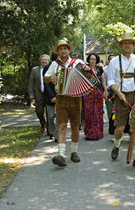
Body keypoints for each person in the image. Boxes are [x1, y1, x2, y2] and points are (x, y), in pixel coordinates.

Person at [44, 39, 90, 167]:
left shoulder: (78, 62)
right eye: (60, 49)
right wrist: (50, 78)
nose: (63, 50)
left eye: (65, 48)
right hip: (61, 98)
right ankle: (61, 155)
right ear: (58, 51)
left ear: (69, 50)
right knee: (62, 125)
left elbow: (89, 75)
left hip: (76, 97)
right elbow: (45, 78)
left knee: (75, 126)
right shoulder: (54, 64)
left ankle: (74, 152)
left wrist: (87, 69)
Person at [107, 33, 135, 170]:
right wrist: (119, 94)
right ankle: (117, 145)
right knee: (119, 128)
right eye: (125, 43)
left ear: (133, 45)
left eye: (130, 43)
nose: (127, 45)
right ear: (121, 45)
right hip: (121, 96)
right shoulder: (114, 62)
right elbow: (110, 82)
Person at [83, 54, 107, 140]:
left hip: (98, 92)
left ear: (97, 60)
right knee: (89, 112)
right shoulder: (84, 69)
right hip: (88, 93)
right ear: (88, 60)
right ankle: (89, 134)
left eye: (94, 59)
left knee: (98, 112)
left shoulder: (100, 69)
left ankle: (98, 133)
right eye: (91, 59)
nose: (93, 60)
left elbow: (103, 81)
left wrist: (105, 92)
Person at [28, 54, 50, 134]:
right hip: (38, 94)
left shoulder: (51, 69)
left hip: (48, 95)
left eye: (46, 60)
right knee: (39, 111)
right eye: (43, 59)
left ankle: (49, 129)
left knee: (49, 113)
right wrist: (31, 93)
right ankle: (43, 123)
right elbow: (31, 82)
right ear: (40, 61)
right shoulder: (35, 70)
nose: (44, 61)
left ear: (48, 61)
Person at [43, 53, 59, 141]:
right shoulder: (47, 68)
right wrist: (52, 96)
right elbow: (46, 84)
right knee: (51, 116)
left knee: (59, 117)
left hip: (60, 96)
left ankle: (57, 136)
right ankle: (51, 132)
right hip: (50, 97)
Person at [104, 54, 115, 120]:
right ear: (108, 60)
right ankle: (111, 127)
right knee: (110, 110)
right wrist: (105, 92)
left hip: (117, 91)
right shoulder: (105, 70)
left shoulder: (119, 69)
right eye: (111, 59)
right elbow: (104, 82)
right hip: (109, 92)